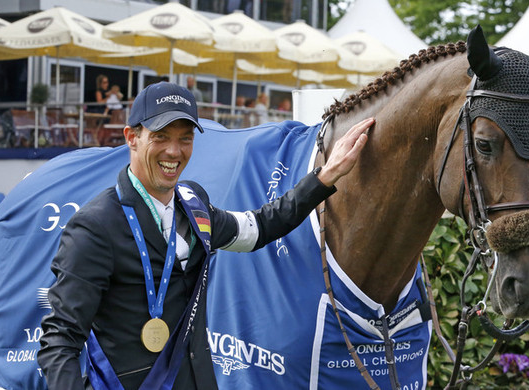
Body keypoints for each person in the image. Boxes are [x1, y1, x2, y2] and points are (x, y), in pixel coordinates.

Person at [37, 81, 374, 390]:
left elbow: (259, 227)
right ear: (131, 137)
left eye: (185, 138)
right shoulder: (95, 226)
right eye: (161, 136)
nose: (174, 151)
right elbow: (60, 342)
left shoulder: (193, 205)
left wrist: (324, 178)